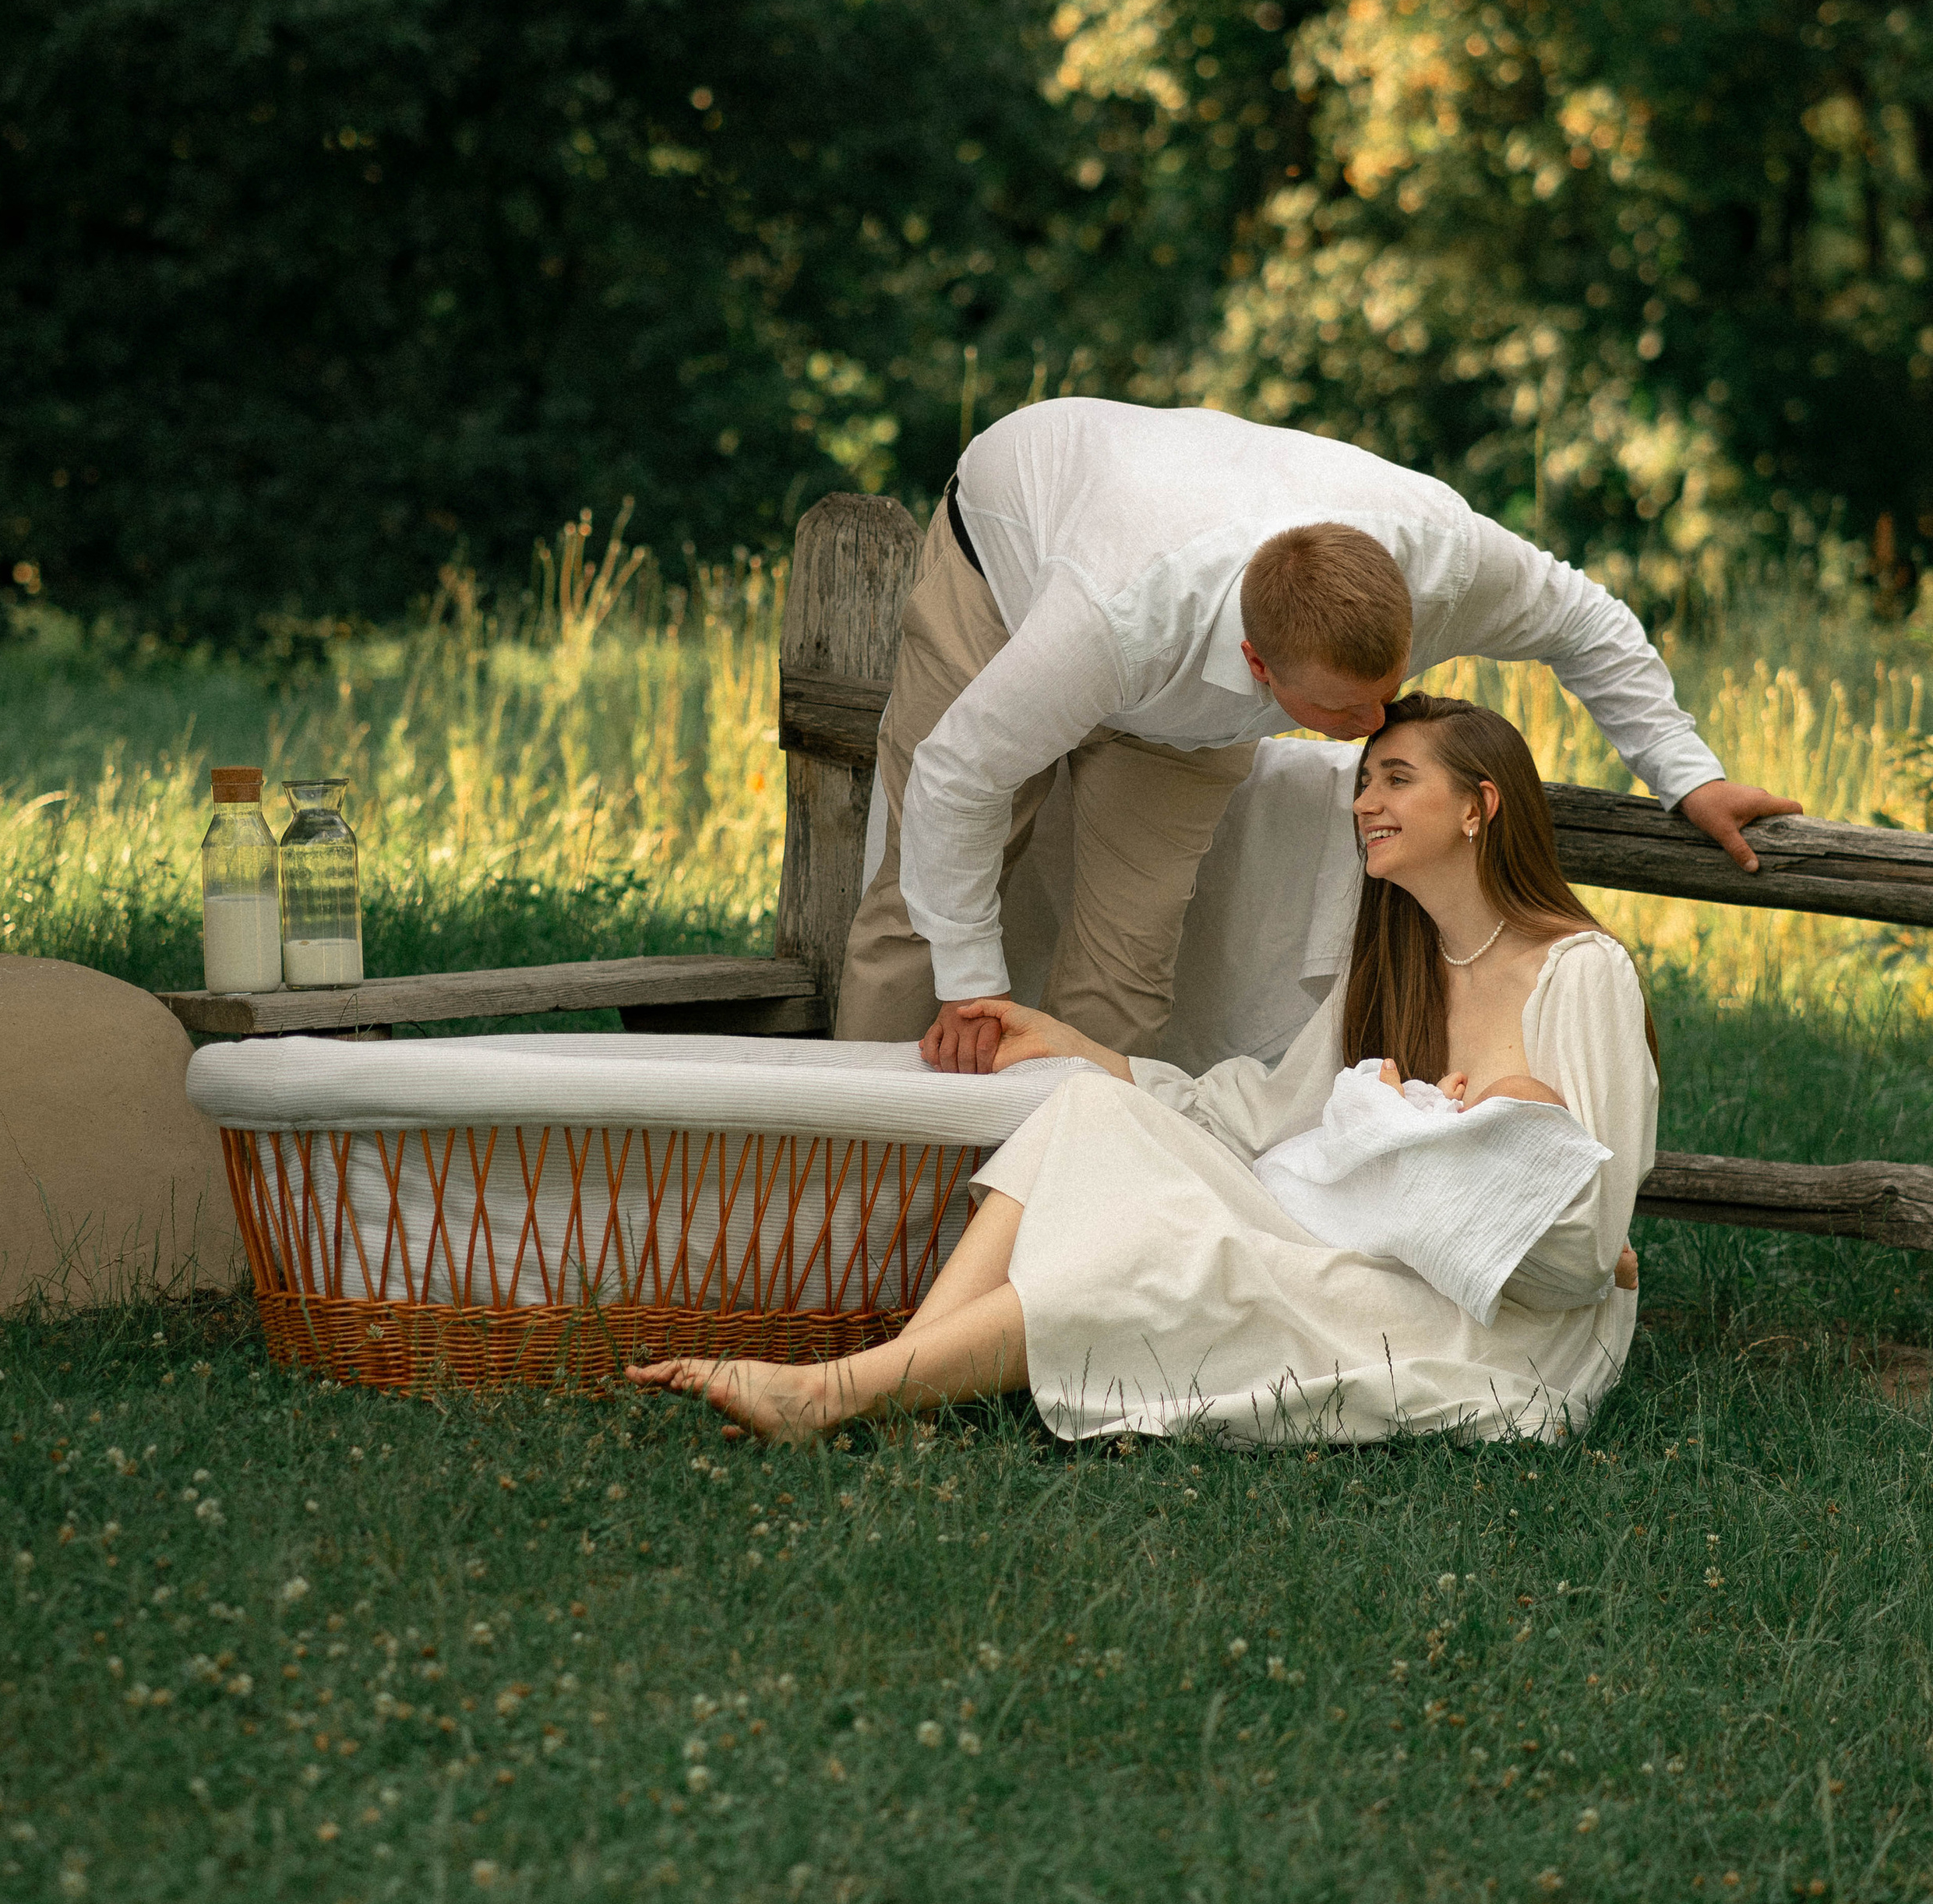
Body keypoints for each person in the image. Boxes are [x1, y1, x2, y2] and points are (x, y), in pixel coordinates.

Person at [632, 693, 1656, 1448]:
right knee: (1086, 1116)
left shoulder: (1580, 973)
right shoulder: (1392, 958)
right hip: (1354, 1243)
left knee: (1182, 1258)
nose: (1365, 805)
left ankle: (833, 1394)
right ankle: (895, 1398)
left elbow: (1585, 1238)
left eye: (1398, 779)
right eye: (1361, 782)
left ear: (1481, 806)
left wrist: (1453, 1186)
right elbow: (1268, 1113)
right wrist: (1085, 1053)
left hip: (1494, 1326)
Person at [834, 398, 1795, 1069]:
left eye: (1389, 693)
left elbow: (1588, 621)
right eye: (1342, 714)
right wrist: (968, 985)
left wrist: (1689, 776)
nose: (1374, 731)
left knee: (1127, 959)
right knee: (913, 918)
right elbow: (958, 775)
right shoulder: (1110, 618)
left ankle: (1044, 1231)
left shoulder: (1448, 562)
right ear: (1259, 667)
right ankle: (845, 1217)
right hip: (1012, 552)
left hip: (1175, 669)